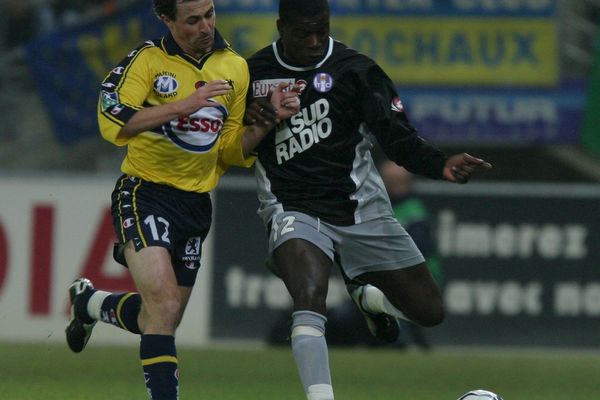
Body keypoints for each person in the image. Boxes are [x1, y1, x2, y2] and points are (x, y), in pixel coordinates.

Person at [244, 1, 492, 399]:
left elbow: (396, 136)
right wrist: (258, 122)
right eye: (302, 33)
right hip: (292, 206)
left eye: (320, 32)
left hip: (362, 210)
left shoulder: (356, 70)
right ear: (280, 27)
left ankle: (370, 299)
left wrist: (440, 163)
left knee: (429, 312)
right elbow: (230, 149)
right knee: (310, 298)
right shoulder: (251, 74)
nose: (313, 41)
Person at [65, 1, 299, 399]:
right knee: (164, 304)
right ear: (166, 20)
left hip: (196, 204)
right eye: (193, 20)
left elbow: (227, 150)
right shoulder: (148, 60)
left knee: (162, 315)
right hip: (144, 192)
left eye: (210, 14)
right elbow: (112, 120)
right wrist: (184, 105)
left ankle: (91, 302)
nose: (206, 26)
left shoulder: (234, 68)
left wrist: (266, 120)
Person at [380, 159, 443, 350]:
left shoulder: (414, 211)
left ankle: (406, 345)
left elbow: (420, 250)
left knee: (398, 305)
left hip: (417, 278)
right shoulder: (384, 207)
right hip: (392, 277)